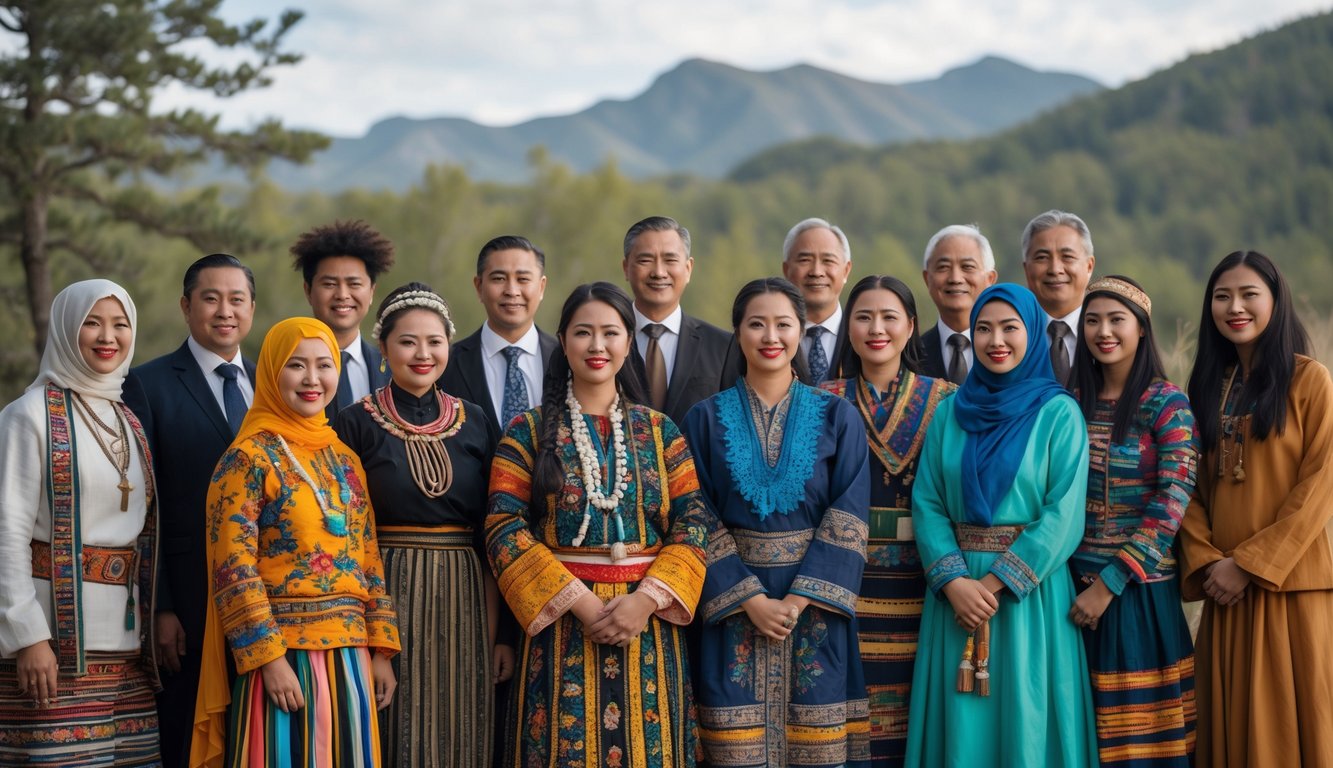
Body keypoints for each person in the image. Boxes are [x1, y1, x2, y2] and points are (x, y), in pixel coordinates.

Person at [485, 282, 708, 768]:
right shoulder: (526, 430)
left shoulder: (661, 430)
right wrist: (581, 604)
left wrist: (645, 602)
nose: (597, 345)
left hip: (647, 629)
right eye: (583, 332)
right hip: (559, 628)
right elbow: (503, 526)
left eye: (610, 332)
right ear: (562, 341)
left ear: (629, 341)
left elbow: (693, 524)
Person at [190, 318, 400, 768]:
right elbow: (233, 568)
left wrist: (381, 650)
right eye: (296, 366)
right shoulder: (247, 459)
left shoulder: (344, 458)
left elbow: (368, 558)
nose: (312, 379)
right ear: (269, 372)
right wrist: (268, 658)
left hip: (351, 657)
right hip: (284, 658)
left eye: (324, 365)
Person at [905, 283, 1096, 767]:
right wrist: (954, 583)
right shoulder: (951, 413)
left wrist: (989, 587)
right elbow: (927, 503)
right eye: (984, 329)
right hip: (955, 593)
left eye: (1010, 328)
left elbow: (1063, 515)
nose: (996, 341)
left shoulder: (1058, 413)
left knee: (1026, 721)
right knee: (963, 730)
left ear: (1033, 333)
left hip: (1027, 597)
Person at [683, 277, 871, 768]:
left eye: (784, 324)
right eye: (757, 324)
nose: (771, 336)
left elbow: (847, 515)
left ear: (801, 331)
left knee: (817, 746)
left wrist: (796, 600)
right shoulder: (702, 420)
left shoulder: (838, 417)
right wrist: (750, 600)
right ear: (737, 333)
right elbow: (694, 515)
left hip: (815, 611)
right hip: (731, 611)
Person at [334, 283, 503, 767]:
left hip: (466, 594)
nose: (423, 353)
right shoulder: (353, 423)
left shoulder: (475, 421)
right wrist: (372, 641)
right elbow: (348, 539)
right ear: (383, 348)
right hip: (387, 588)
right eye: (408, 341)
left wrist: (499, 636)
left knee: (462, 726)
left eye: (435, 341)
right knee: (393, 725)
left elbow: (494, 530)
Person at [1178, 251, 1333, 767]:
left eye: (1249, 295)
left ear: (1275, 301)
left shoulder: (1310, 382)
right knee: (1229, 733)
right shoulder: (1204, 389)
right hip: (1226, 596)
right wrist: (1210, 565)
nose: (1234, 307)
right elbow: (1188, 491)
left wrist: (1249, 564)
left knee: (1290, 732)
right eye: (1222, 296)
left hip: (1289, 589)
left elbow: (1318, 487)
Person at [0, 279, 161, 765]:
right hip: (56, 646)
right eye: (92, 323)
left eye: (120, 324)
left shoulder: (126, 418)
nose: (107, 336)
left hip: (128, 651)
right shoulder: (27, 415)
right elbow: (6, 531)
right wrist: (27, 635)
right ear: (67, 330)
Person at [123, 253, 257, 768]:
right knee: (188, 737)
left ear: (251, 307)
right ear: (185, 306)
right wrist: (160, 606)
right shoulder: (148, 385)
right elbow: (143, 505)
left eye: (237, 299)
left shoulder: (273, 379)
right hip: (189, 596)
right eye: (210, 298)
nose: (225, 311)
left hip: (265, 594)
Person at [820, 276, 956, 767]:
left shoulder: (947, 399)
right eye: (863, 317)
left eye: (889, 317)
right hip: (843, 578)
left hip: (925, 579)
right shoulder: (821, 398)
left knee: (918, 708)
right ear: (847, 327)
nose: (876, 329)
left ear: (911, 326)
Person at [1069, 276, 1197, 766]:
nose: (1104, 331)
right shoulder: (1071, 400)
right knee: (1084, 735)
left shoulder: (1167, 403)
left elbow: (1173, 499)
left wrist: (1110, 582)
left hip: (1137, 593)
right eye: (1093, 320)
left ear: (1141, 328)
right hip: (1071, 591)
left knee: (1142, 745)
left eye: (1116, 319)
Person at [622, 216, 738, 425]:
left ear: (688, 268)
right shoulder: (605, 341)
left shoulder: (723, 347)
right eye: (645, 260)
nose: (658, 272)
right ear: (626, 268)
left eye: (670, 260)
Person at [440, 235, 558, 433]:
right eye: (499, 279)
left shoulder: (565, 358)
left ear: (541, 287)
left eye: (523, 279)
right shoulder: (447, 363)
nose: (512, 291)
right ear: (479, 287)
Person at [291, 219, 395, 418]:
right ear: (308, 290)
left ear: (372, 291)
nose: (342, 295)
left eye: (354, 284)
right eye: (329, 284)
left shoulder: (393, 369)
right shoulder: (285, 368)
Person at [1021, 210, 1096, 387]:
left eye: (1067, 257)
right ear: (1026, 269)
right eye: (1042, 258)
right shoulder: (1009, 336)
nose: (1055, 269)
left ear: (1089, 266)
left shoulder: (1109, 334)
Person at [918, 225, 997, 384]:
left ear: (990, 279)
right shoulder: (911, 355)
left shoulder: (1009, 351)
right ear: (927, 279)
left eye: (967, 267)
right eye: (943, 267)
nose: (955, 278)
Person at [781, 218, 853, 384]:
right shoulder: (769, 337)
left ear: (846, 270)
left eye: (828, 261)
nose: (817, 272)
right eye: (805, 260)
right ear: (786, 270)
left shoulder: (864, 336)